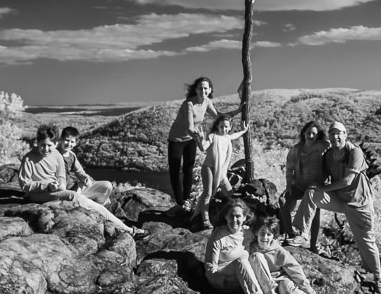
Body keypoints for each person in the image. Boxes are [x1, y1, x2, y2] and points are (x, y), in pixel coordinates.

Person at [284, 121, 381, 294]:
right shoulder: (329, 154)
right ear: (329, 138)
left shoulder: (355, 152)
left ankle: (378, 278)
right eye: (332, 134)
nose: (335, 137)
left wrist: (324, 189)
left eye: (339, 133)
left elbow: (347, 181)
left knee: (366, 242)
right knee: (312, 192)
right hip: (340, 200)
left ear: (345, 134)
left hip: (359, 203)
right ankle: (302, 235)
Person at [19, 124, 148, 238]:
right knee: (74, 196)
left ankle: (101, 214)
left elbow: (61, 175)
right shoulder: (28, 159)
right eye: (43, 145)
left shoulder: (56, 155)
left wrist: (62, 184)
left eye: (49, 145)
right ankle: (129, 230)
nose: (46, 149)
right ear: (37, 142)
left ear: (55, 144)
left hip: (57, 190)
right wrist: (47, 186)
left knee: (101, 190)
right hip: (37, 195)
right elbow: (24, 184)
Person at [204, 199, 291, 294]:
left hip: (245, 277)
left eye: (238, 216)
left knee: (257, 256)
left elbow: (266, 237)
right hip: (223, 279)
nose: (235, 220)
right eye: (232, 216)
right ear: (226, 216)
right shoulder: (218, 236)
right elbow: (210, 270)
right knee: (242, 261)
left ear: (245, 217)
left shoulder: (248, 232)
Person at [166, 76, 239, 212]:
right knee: (175, 172)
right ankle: (179, 202)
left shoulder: (206, 101)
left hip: (192, 139)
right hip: (176, 139)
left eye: (206, 88)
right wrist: (201, 140)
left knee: (188, 169)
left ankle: (186, 201)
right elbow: (189, 127)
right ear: (196, 89)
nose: (203, 90)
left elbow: (218, 115)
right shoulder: (189, 104)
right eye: (200, 88)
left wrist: (238, 111)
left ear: (210, 90)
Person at [249, 215, 333, 294]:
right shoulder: (250, 248)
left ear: (273, 236)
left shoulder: (278, 251)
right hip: (263, 283)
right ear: (256, 233)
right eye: (262, 233)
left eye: (269, 234)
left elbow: (296, 272)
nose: (265, 237)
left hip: (280, 280)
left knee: (289, 292)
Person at [193, 115, 249, 229]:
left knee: (229, 194)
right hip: (209, 168)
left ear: (230, 127)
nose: (224, 129)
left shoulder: (227, 137)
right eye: (222, 126)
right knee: (208, 193)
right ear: (218, 126)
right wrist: (199, 139)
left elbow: (235, 135)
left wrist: (244, 130)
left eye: (226, 127)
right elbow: (203, 147)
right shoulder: (213, 136)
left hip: (221, 172)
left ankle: (229, 216)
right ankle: (206, 220)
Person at [281, 121, 330, 242]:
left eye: (314, 133)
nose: (311, 136)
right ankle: (290, 233)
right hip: (300, 184)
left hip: (315, 187)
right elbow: (289, 169)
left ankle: (312, 244)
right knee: (282, 200)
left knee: (315, 213)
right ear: (304, 133)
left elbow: (335, 148)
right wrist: (289, 185)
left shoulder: (322, 146)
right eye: (308, 133)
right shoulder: (296, 149)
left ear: (318, 135)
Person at [58, 126, 114, 206]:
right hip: (65, 192)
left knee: (107, 186)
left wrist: (86, 178)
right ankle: (92, 205)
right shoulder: (54, 154)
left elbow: (80, 172)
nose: (69, 144)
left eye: (72, 142)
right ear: (61, 139)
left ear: (75, 143)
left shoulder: (72, 155)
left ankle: (98, 208)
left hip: (77, 188)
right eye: (67, 140)